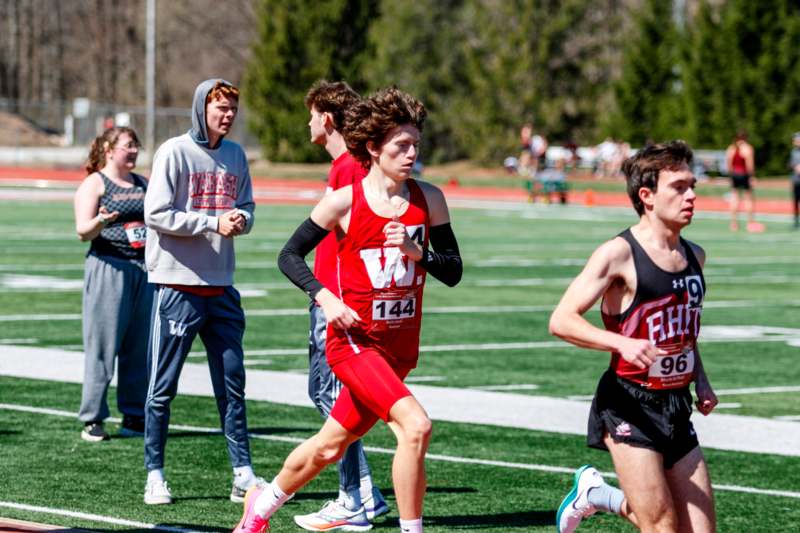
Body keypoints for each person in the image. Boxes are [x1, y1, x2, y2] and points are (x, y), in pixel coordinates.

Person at [233, 87, 463, 533]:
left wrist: (420, 254)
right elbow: (289, 256)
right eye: (401, 145)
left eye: (416, 144)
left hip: (400, 348)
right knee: (416, 427)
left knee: (328, 446)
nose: (411, 153)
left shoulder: (429, 198)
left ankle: (260, 508)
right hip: (355, 343)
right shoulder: (344, 201)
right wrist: (326, 298)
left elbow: (453, 271)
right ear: (373, 148)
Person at [549, 141, 718, 533]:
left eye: (692, 185)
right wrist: (621, 343)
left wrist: (700, 377)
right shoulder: (618, 254)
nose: (691, 195)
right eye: (678, 187)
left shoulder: (696, 255)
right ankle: (596, 495)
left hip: (676, 404)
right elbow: (561, 319)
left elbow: (685, 329)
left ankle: (596, 496)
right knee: (660, 525)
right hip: (629, 403)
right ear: (647, 196)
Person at [142, 79, 260, 505]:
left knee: (232, 385)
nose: (227, 115)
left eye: (232, 109)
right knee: (162, 387)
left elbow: (246, 205)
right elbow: (154, 213)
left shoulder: (235, 154)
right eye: (220, 109)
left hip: (221, 285)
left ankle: (242, 473)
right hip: (177, 284)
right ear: (200, 110)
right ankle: (155, 474)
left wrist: (242, 220)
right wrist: (211, 223)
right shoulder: (174, 151)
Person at [292, 80, 389, 531]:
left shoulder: (349, 167)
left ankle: (353, 497)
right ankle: (366, 492)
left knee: (333, 397)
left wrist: (326, 294)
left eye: (312, 114)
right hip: (332, 295)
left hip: (336, 300)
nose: (308, 123)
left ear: (326, 118)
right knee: (327, 395)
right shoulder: (343, 168)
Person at [73, 126, 152, 442]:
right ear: (109, 150)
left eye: (136, 146)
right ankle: (93, 418)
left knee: (138, 346)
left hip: (143, 269)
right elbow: (83, 231)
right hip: (109, 267)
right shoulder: (95, 183)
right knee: (103, 346)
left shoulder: (142, 183)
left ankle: (134, 414)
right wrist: (102, 221)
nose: (133, 151)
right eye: (127, 146)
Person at [725, 130, 763, 232]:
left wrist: (731, 176)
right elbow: (749, 165)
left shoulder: (731, 148)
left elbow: (729, 164)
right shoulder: (747, 148)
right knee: (748, 198)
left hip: (734, 175)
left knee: (735, 198)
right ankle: (750, 223)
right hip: (744, 174)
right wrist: (751, 176)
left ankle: (734, 224)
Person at [789, 132, 800, 228]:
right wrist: (794, 167)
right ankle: (796, 219)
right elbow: (790, 164)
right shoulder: (793, 152)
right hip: (796, 180)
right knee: (795, 200)